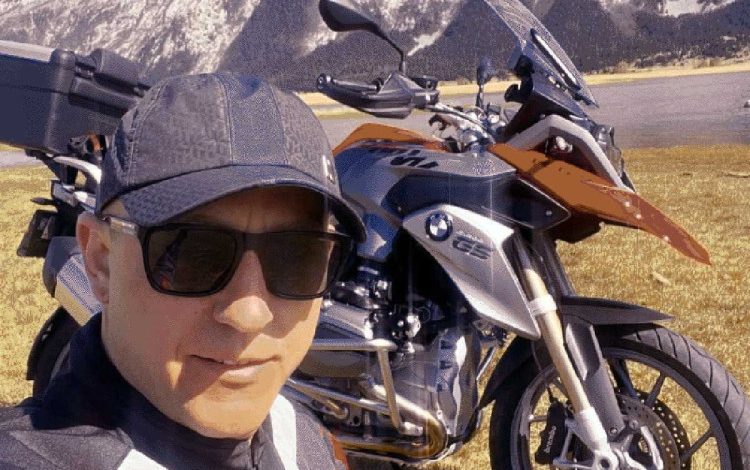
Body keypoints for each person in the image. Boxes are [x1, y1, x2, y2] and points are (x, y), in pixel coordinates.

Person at [0, 73, 364, 469]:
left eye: (298, 256)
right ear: (101, 260)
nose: (248, 314)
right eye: (194, 255)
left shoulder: (304, 440)